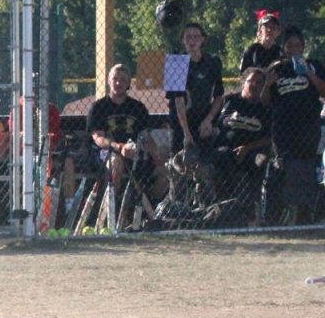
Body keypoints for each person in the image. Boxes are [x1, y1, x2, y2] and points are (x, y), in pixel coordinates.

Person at [260, 26, 325, 225]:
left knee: (305, 168)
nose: (294, 49)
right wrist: (268, 83)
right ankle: (274, 217)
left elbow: (323, 91)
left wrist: (308, 73)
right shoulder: (277, 68)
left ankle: (304, 216)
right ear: (284, 48)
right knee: (282, 167)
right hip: (283, 129)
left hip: (307, 127)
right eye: (289, 46)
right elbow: (265, 102)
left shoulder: (313, 65)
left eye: (298, 45)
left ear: (303, 47)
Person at [87, 64, 167, 217]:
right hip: (106, 153)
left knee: (165, 171)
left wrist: (157, 155)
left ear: (129, 83)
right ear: (109, 81)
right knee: (116, 163)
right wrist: (119, 147)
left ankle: (149, 208)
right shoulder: (98, 107)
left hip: (134, 153)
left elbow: (146, 137)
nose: (118, 83)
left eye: (123, 80)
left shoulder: (138, 107)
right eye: (115, 79)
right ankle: (112, 211)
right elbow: (98, 138)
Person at [203, 67, 271, 216]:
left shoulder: (265, 108)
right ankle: (225, 207)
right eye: (251, 81)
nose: (254, 85)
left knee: (262, 161)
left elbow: (270, 138)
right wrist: (210, 129)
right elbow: (210, 121)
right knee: (223, 157)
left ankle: (253, 209)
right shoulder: (229, 101)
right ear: (243, 82)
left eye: (259, 82)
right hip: (226, 148)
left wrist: (247, 148)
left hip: (252, 151)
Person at [166, 22, 224, 157]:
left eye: (196, 36)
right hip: (182, 122)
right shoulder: (175, 62)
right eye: (188, 37)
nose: (192, 40)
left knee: (206, 161)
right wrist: (186, 132)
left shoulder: (213, 62)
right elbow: (178, 100)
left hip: (203, 120)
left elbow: (219, 96)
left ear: (203, 39)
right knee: (181, 162)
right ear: (182, 40)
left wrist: (209, 120)